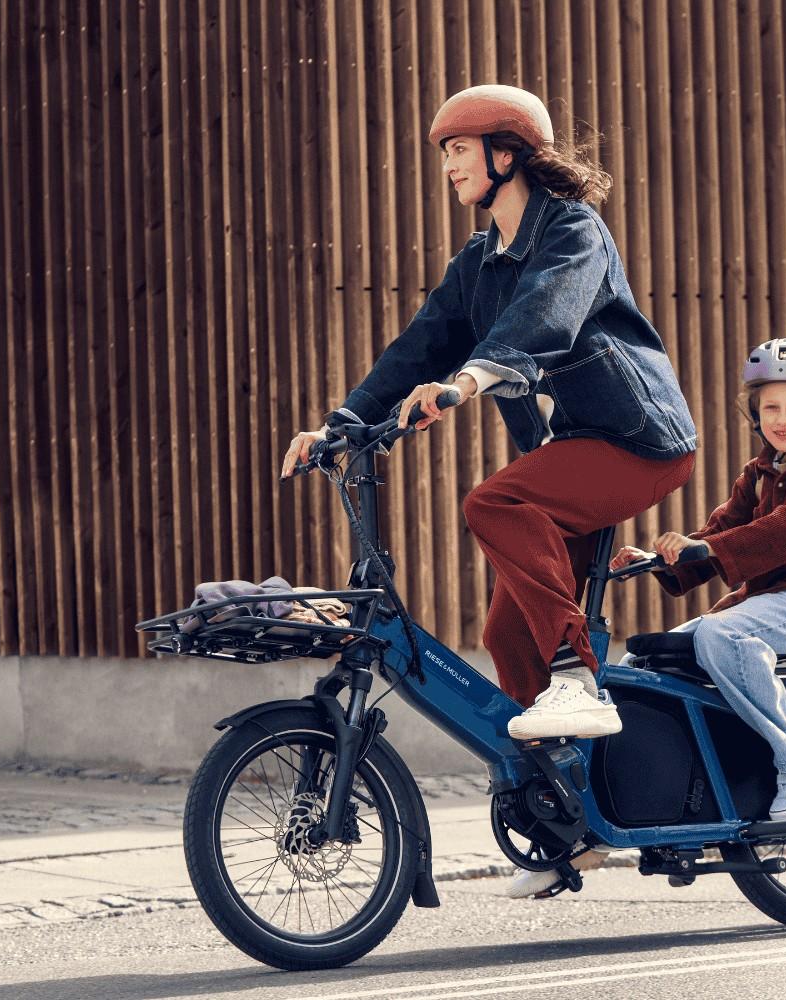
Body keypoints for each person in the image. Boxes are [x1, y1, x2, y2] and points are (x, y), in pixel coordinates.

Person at [281, 84, 697, 739]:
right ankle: (570, 806)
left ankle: (576, 681)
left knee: (495, 504)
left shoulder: (573, 229)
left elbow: (547, 313)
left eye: (459, 148)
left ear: (508, 152)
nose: (448, 165)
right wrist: (338, 426)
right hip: (569, 453)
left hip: (638, 439)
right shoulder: (477, 262)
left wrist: (467, 383)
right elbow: (418, 347)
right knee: (506, 632)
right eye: (446, 153)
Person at [507, 337, 786, 898]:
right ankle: (605, 821)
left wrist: (708, 552)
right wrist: (664, 557)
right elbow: (722, 530)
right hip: (762, 607)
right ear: (755, 412)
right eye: (771, 408)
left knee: (722, 635)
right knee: (648, 662)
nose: (782, 420)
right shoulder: (759, 471)